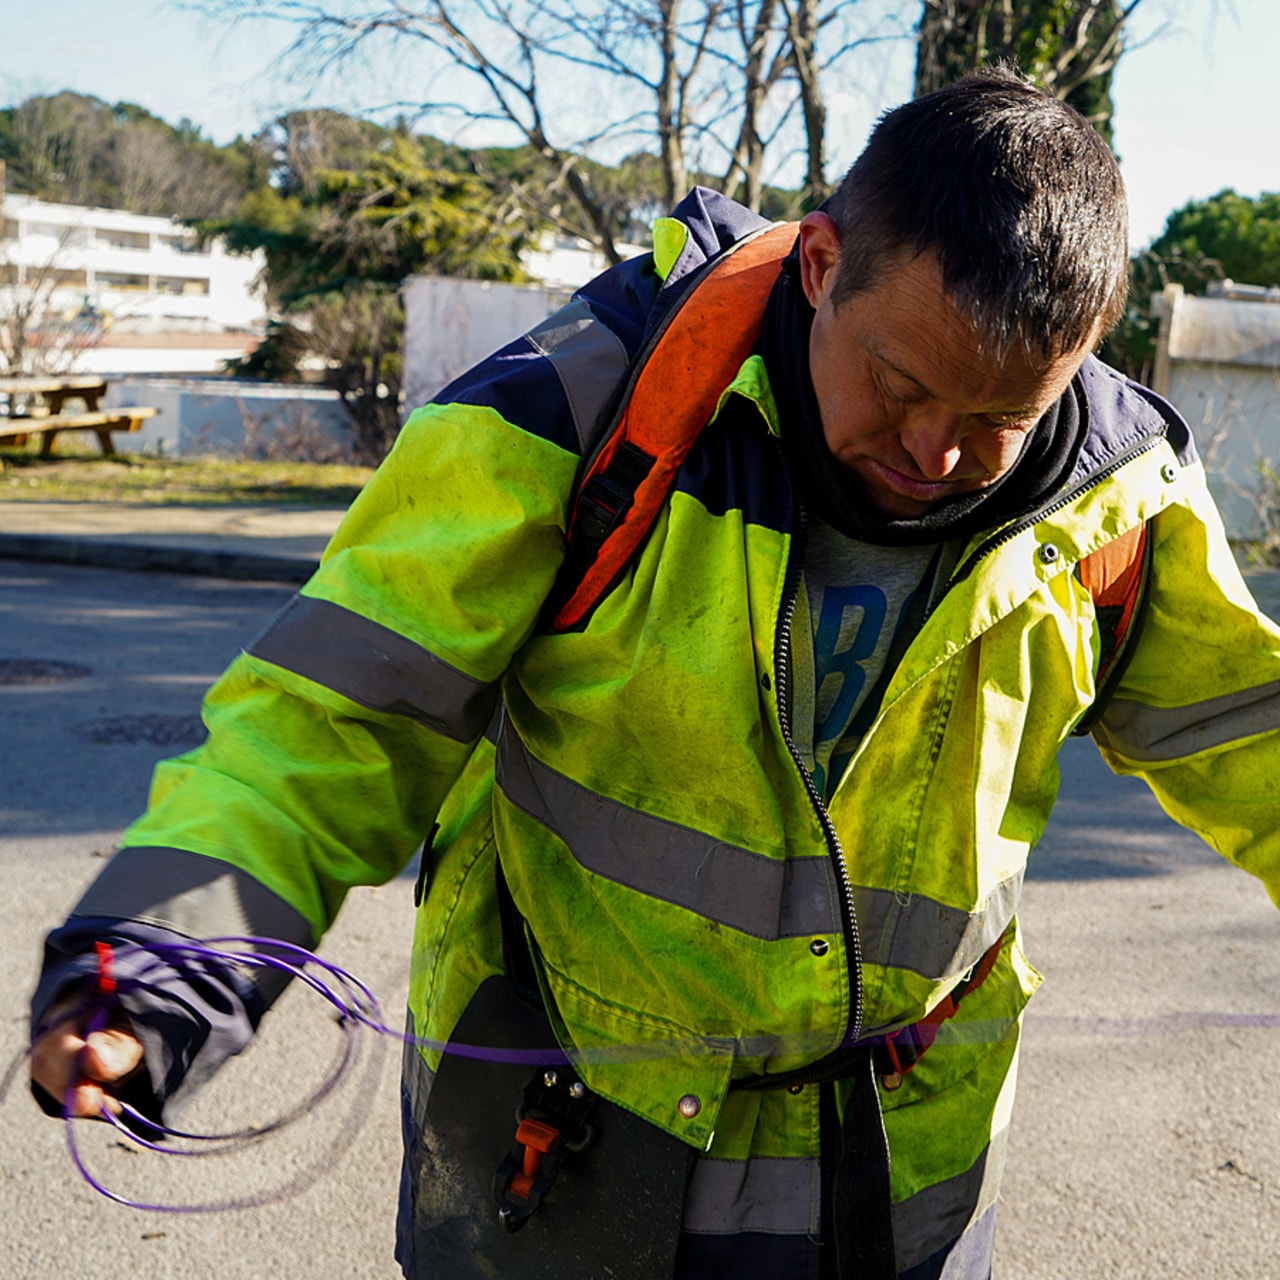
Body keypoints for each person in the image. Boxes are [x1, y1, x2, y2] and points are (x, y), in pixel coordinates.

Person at [29, 65, 1280, 1280]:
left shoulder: (1121, 505)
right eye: (897, 385)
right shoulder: (587, 401)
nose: (935, 449)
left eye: (998, 419)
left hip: (900, 1186)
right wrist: (158, 962)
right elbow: (328, 721)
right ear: (821, 265)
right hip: (558, 1150)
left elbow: (1252, 739)